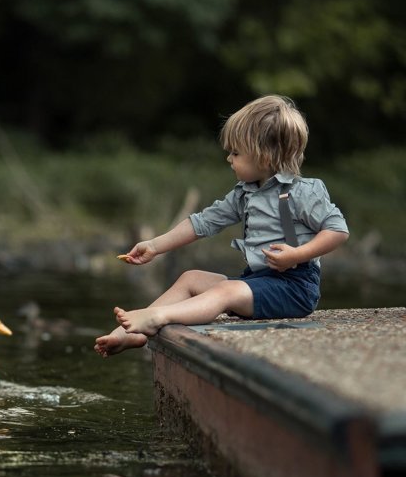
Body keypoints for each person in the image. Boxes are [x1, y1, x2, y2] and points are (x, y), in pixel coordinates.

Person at [94, 95, 349, 357]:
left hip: (294, 288)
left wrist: (298, 255)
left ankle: (156, 317)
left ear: (265, 156)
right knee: (191, 278)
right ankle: (131, 335)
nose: (229, 158)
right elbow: (202, 222)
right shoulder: (245, 193)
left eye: (236, 152)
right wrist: (155, 246)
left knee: (226, 291)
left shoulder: (303, 192)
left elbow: (338, 230)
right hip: (257, 281)